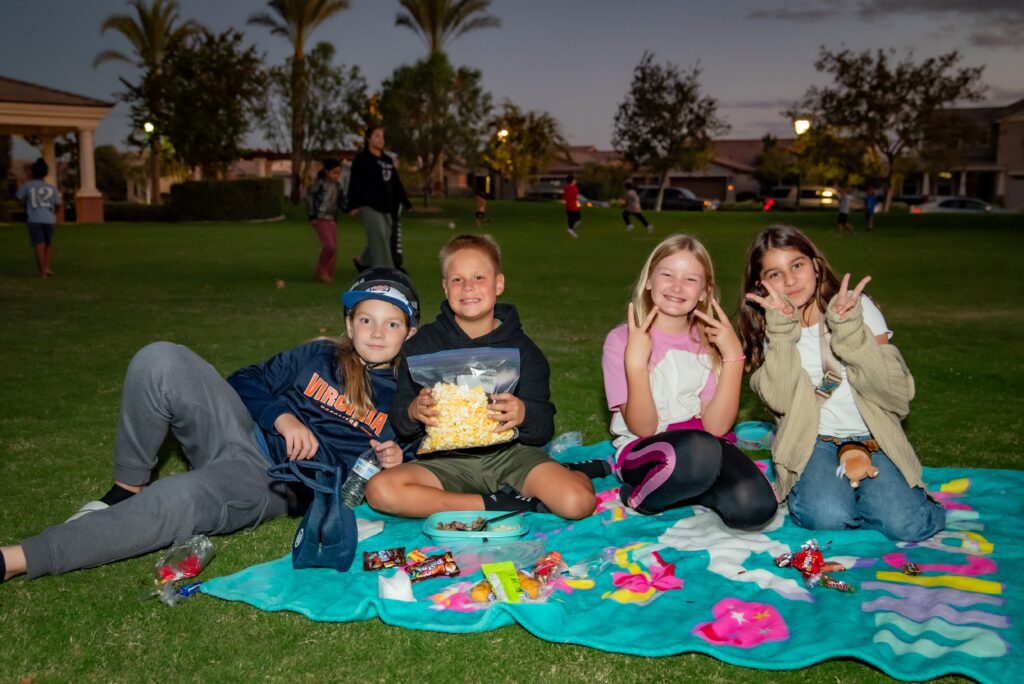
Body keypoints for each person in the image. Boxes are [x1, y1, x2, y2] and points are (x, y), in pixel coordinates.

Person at [1, 269, 419, 583]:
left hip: (268, 482)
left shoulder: (406, 401)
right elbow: (243, 381)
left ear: (409, 334)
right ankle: (126, 489)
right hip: (238, 429)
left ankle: (17, 558)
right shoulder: (317, 355)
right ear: (349, 325)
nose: (377, 332)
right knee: (160, 358)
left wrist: (395, 460)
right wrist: (282, 416)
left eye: (392, 323)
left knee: (180, 497)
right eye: (366, 320)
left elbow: (413, 477)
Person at [365, 234, 597, 520]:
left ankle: (570, 477)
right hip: (444, 463)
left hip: (511, 457)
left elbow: (543, 426)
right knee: (379, 491)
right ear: (445, 287)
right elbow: (402, 418)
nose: (468, 288)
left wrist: (523, 413)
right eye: (457, 280)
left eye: (478, 277)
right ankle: (497, 504)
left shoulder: (524, 351)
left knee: (578, 503)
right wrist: (413, 411)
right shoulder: (421, 346)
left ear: (498, 283)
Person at [738, 225, 944, 541]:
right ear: (761, 285)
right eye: (775, 274)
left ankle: (890, 497)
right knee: (828, 517)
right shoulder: (773, 327)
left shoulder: (855, 309)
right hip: (814, 442)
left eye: (797, 265)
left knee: (908, 525)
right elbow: (779, 401)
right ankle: (845, 493)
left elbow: (897, 397)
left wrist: (849, 334)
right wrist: (779, 333)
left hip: (873, 437)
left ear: (816, 265)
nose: (791, 280)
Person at [601, 234, 778, 529]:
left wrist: (734, 357)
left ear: (705, 292)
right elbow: (642, 428)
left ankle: (690, 487)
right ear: (649, 281)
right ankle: (639, 497)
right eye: (667, 274)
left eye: (690, 279)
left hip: (702, 447)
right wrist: (635, 363)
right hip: (644, 451)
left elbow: (717, 427)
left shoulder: (709, 343)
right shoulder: (621, 340)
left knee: (755, 508)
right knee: (701, 450)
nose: (676, 286)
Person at [347, 126, 412, 270]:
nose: (381, 139)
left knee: (383, 236)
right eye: (377, 136)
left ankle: (363, 261)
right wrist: (352, 204)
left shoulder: (387, 160)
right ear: (368, 139)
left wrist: (404, 200)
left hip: (387, 206)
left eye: (382, 136)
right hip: (368, 204)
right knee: (379, 236)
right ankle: (385, 269)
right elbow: (355, 182)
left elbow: (395, 183)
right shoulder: (362, 160)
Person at [15, 158, 61, 278]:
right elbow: (58, 204)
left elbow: (18, 197)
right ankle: (48, 268)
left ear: (33, 172)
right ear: (46, 173)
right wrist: (53, 213)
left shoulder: (28, 186)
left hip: (34, 219)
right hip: (49, 219)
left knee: (39, 244)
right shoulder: (52, 188)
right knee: (48, 244)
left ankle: (42, 271)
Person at [306, 157, 345, 283]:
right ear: (327, 171)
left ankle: (327, 272)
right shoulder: (320, 183)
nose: (336, 175)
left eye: (338, 173)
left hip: (332, 219)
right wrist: (312, 215)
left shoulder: (338, 186)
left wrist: (349, 209)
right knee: (329, 246)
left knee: (334, 248)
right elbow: (310, 198)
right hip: (320, 218)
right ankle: (322, 270)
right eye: (334, 172)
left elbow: (341, 202)